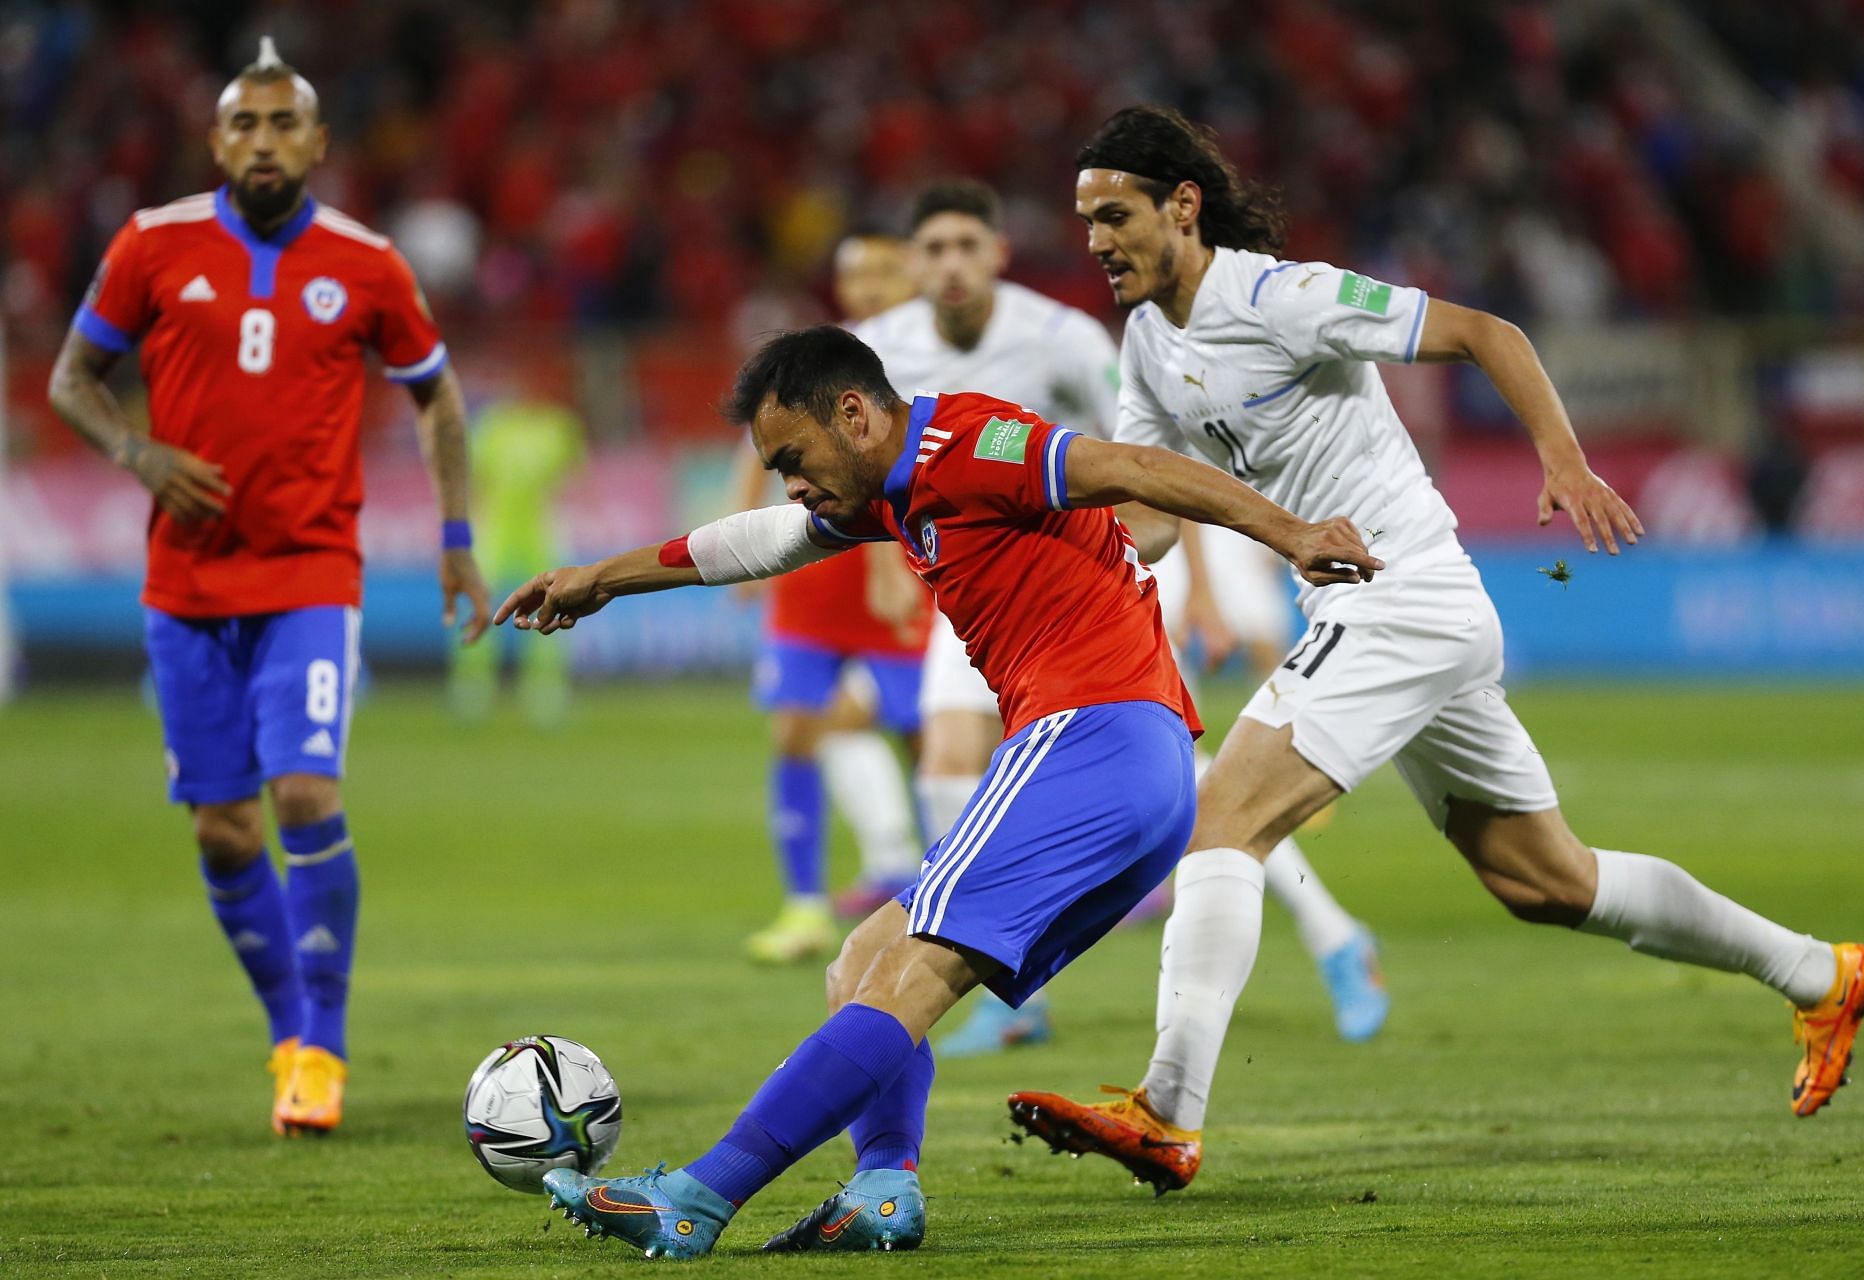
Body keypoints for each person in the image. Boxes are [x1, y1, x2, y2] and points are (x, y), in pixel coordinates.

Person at [1007, 105, 1864, 1195]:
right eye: (1085, 219)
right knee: (1545, 878)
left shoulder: (1280, 296)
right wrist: (1047, 544)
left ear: (1182, 206)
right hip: (1403, 615)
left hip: (1401, 596)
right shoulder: (1148, 341)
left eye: (1115, 215)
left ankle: (1167, 1109)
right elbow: (1151, 508)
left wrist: (1563, 463)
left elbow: (1489, 333)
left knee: (1222, 819)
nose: (1094, 239)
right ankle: (1821, 969)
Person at [493, 325, 1379, 1257]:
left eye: (793, 457)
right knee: (864, 962)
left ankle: (697, 1195)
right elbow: (761, 541)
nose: (790, 480)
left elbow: (1133, 465)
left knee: (915, 977)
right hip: (1124, 760)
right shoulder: (894, 490)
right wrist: (601, 579)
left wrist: (1292, 536)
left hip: (1090, 738)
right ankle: (883, 1186)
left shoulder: (968, 447)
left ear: (854, 413)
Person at [45, 40, 486, 1137]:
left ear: (319, 141)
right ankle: (287, 1029)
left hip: (308, 571)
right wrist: (141, 456)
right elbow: (71, 381)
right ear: (216, 142)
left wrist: (458, 534)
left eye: (284, 123)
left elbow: (436, 396)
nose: (264, 142)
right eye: (244, 124)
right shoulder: (152, 244)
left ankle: (324, 1049)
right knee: (223, 832)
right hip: (184, 582)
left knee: (302, 796)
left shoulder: (369, 262)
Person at [863, 177, 1387, 1054]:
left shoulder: (1060, 339)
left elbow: (1149, 458)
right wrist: (887, 559)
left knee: (1191, 789)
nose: (950, 265)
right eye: (932, 249)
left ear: (997, 254)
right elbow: (875, 470)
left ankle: (1336, 936)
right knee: (948, 756)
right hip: (990, 597)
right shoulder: (883, 351)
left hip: (1101, 573)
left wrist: (1209, 587)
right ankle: (1004, 982)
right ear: (910, 264)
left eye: (966, 246)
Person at [729, 232, 930, 965]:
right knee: (793, 733)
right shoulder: (823, 361)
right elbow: (752, 449)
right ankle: (804, 905)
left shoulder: (921, 363)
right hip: (813, 576)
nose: (868, 287)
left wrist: (895, 560)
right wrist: (743, 549)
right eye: (855, 276)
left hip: (896, 568)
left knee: (925, 741)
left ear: (910, 276)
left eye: (882, 272)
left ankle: (941, 896)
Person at [448, 372, 585, 725]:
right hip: (497, 529)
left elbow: (576, 472)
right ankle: (473, 685)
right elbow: (476, 476)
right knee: (480, 602)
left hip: (539, 530)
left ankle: (544, 687)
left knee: (554, 603)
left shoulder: (555, 426)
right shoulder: (493, 426)